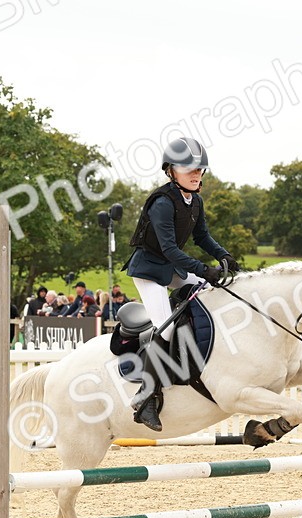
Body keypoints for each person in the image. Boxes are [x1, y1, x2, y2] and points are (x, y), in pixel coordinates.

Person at [123, 137, 237, 431]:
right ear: (171, 171)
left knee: (212, 292)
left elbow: (202, 237)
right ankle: (145, 397)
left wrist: (223, 255)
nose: (196, 174)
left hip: (171, 266)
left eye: (199, 169)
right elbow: (170, 248)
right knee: (166, 326)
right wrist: (203, 269)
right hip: (149, 269)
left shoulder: (195, 200)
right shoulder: (162, 203)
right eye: (189, 169)